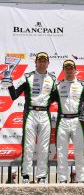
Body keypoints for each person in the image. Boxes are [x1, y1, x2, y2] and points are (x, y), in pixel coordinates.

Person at [7, 52, 56, 184]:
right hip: (30, 114)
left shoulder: (52, 79)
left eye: (44, 61)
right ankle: (26, 176)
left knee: (44, 147)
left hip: (45, 114)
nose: (42, 63)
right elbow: (14, 96)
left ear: (48, 63)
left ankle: (42, 176)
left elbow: (58, 97)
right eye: (39, 60)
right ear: (36, 63)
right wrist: (9, 83)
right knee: (28, 145)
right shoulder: (27, 77)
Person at [53, 59, 84, 183]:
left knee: (79, 153)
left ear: (75, 70)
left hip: (78, 121)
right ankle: (62, 180)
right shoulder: (58, 85)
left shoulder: (83, 85)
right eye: (66, 68)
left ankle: (81, 180)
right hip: (62, 121)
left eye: (71, 68)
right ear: (63, 70)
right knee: (61, 152)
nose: (69, 70)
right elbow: (47, 100)